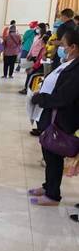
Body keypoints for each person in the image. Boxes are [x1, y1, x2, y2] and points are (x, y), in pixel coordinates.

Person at [29, 30, 79, 206]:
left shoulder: (76, 69)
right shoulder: (70, 63)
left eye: (63, 45)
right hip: (53, 114)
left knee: (54, 155)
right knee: (48, 151)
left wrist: (40, 99)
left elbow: (64, 97)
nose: (61, 48)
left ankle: (52, 195)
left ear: (73, 47)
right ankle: (48, 186)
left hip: (63, 117)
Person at [19, 24, 49, 95]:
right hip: (33, 56)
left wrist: (35, 57)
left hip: (37, 57)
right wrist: (29, 54)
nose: (36, 29)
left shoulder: (44, 37)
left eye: (38, 28)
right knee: (28, 72)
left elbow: (41, 49)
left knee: (31, 73)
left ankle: (27, 89)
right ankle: (26, 88)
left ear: (42, 28)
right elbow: (33, 47)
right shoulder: (37, 37)